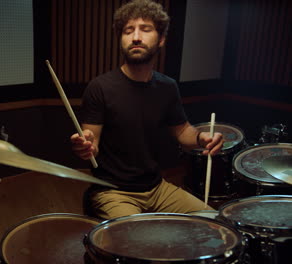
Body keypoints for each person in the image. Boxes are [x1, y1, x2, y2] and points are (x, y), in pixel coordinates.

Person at [70, 0, 224, 220]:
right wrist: (85, 146)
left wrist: (202, 138)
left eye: (145, 29)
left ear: (161, 40)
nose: (135, 37)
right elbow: (90, 142)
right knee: (135, 242)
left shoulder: (167, 86)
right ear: (121, 39)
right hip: (113, 191)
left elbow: (182, 132)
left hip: (157, 187)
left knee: (214, 223)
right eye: (128, 31)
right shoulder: (100, 87)